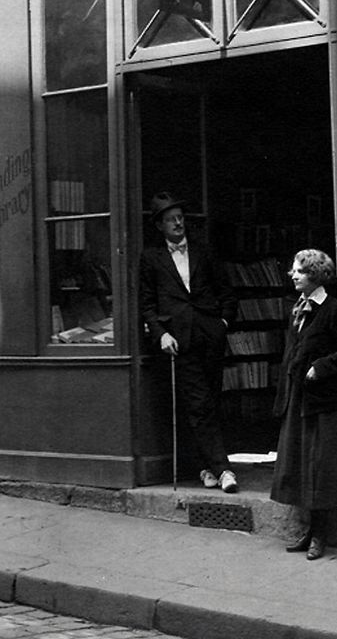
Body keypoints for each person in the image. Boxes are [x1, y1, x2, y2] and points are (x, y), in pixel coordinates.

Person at [139, 191, 239, 493]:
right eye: (170, 219)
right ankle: (223, 470)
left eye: (180, 217)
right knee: (199, 404)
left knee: (209, 401)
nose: (178, 223)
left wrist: (223, 324)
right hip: (178, 341)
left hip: (210, 336)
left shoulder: (203, 251)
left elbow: (227, 292)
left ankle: (204, 466)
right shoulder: (150, 258)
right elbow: (146, 304)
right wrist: (161, 334)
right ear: (159, 225)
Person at [271, 249, 337, 560]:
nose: (292, 275)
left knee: (319, 469)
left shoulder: (332, 310)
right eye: (294, 270)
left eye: (299, 271)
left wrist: (320, 367)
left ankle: (320, 536)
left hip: (321, 401)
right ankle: (310, 531)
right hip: (299, 399)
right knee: (302, 466)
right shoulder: (298, 307)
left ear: (316, 275)